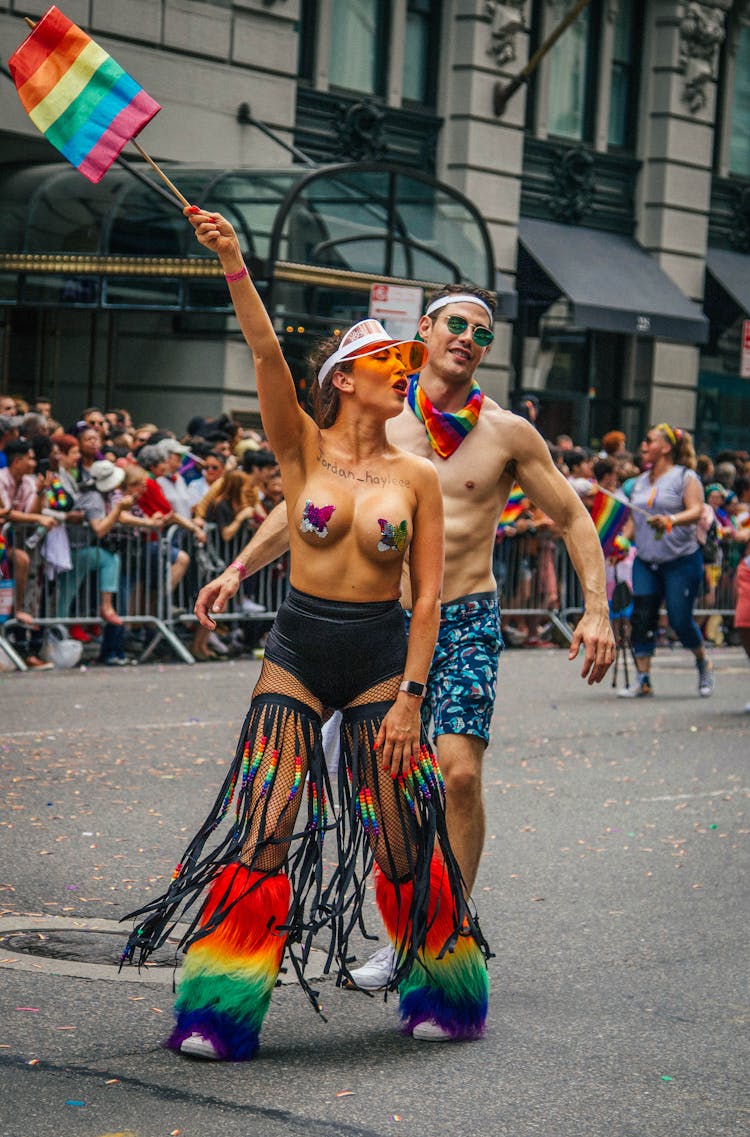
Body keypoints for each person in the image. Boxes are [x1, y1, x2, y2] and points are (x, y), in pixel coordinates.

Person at [123, 207, 490, 1057]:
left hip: (377, 660)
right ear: (344, 378)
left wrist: (409, 700)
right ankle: (219, 1011)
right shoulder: (301, 449)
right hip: (294, 653)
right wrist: (233, 261)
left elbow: (427, 601)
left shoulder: (419, 478)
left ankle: (446, 990)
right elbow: (262, 352)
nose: (404, 370)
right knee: (266, 823)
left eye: (405, 358)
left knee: (404, 835)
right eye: (386, 360)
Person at [194, 282, 615, 988]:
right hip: (378, 626)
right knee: (351, 788)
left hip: (466, 618)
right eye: (457, 324)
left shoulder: (508, 433)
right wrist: (239, 566)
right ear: (425, 328)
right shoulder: (382, 414)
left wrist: (597, 608)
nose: (469, 339)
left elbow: (575, 518)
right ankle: (381, 928)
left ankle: (436, 935)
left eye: (483, 333)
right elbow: (307, 498)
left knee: (458, 771)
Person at [617, 423, 714, 698]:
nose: (643, 446)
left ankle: (702, 660)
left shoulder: (686, 477)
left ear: (667, 447)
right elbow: (634, 519)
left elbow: (696, 510)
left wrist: (671, 519)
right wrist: (622, 543)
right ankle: (643, 679)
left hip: (681, 560)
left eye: (649, 441)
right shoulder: (639, 482)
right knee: (642, 617)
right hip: (646, 560)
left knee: (680, 620)